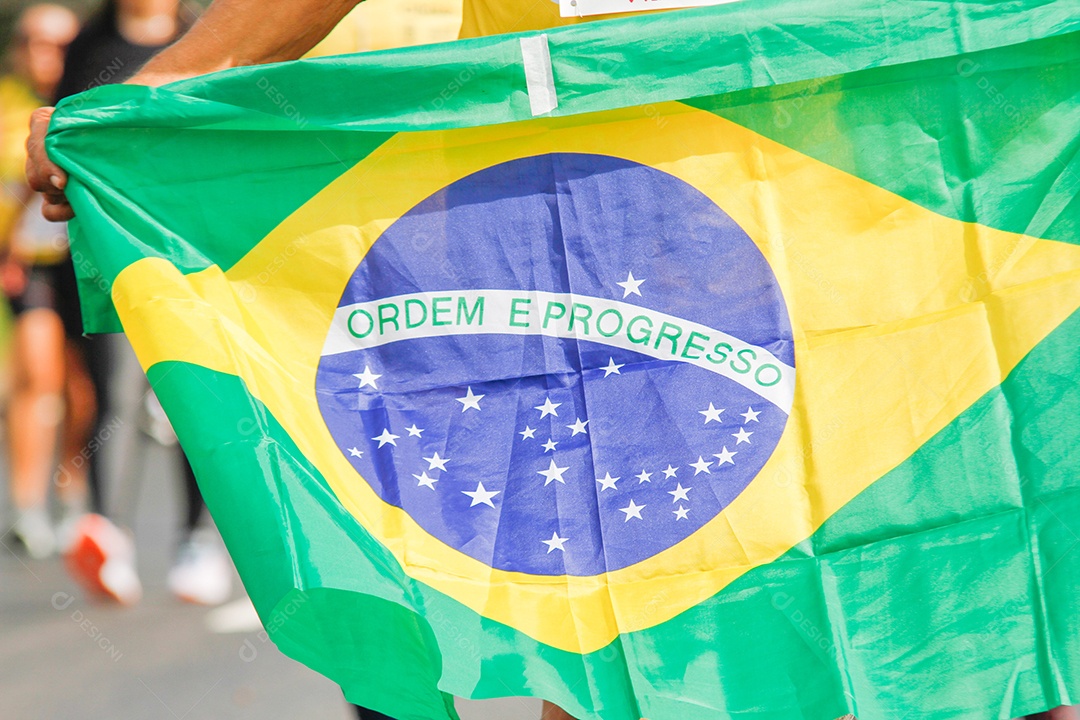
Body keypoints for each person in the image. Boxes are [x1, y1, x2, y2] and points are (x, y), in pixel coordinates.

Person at [1, 3, 82, 559]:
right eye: (35, 41)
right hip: (29, 261)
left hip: (86, 264)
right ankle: (27, 508)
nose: (46, 54)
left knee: (82, 388)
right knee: (37, 375)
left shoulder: (93, 103)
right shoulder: (6, 108)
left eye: (60, 44)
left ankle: (73, 493)